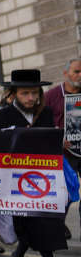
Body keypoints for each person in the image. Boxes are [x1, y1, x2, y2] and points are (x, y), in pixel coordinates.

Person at [0, 69, 71, 257]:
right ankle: (19, 256)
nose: (31, 98)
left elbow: (50, 141)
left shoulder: (46, 113)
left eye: (35, 93)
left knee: (42, 220)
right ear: (13, 94)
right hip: (11, 180)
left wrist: (59, 143)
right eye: (25, 93)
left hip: (41, 179)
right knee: (24, 223)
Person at [45, 59, 81, 231]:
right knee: (66, 193)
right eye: (77, 72)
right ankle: (57, 225)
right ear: (66, 73)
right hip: (65, 152)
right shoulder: (52, 96)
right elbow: (43, 121)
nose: (80, 76)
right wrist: (58, 138)